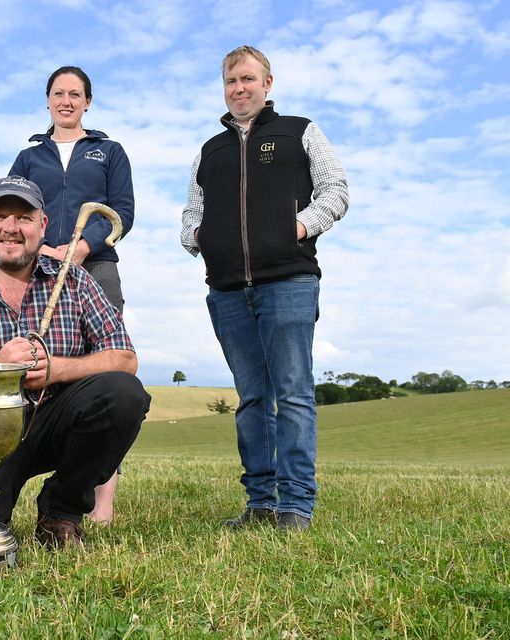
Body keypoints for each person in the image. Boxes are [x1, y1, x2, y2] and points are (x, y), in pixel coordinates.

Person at [0, 176, 150, 548]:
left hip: (58, 420)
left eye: (24, 217)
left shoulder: (76, 282)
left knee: (123, 394)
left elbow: (125, 359)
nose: (11, 228)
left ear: (42, 226)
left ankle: (61, 510)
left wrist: (56, 369)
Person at [180, 45, 349, 531]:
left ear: (267, 84)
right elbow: (191, 214)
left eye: (249, 80)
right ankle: (260, 503)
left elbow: (336, 190)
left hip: (289, 281)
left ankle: (296, 506)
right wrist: (201, 240)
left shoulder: (300, 131)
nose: (240, 89)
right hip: (228, 289)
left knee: (293, 393)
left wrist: (294, 228)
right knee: (253, 398)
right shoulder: (208, 152)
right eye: (232, 82)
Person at [9, 66, 135, 523]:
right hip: (38, 268)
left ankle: (100, 501)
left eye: (75, 94)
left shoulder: (109, 151)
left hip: (95, 266)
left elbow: (123, 211)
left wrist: (82, 248)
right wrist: (41, 248)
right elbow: (13, 205)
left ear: (88, 101)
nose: (67, 100)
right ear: (48, 101)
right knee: (44, 360)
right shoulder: (28, 156)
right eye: (59, 93)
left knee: (104, 370)